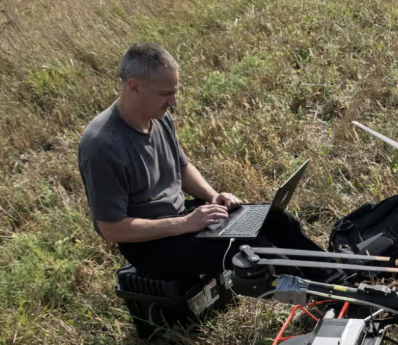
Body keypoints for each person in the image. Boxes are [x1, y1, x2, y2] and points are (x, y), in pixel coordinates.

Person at [77, 43, 326, 282]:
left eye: (175, 92)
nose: (173, 102)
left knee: (274, 219)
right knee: (252, 250)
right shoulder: (102, 146)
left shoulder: (158, 115)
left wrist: (212, 196)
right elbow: (112, 229)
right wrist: (185, 224)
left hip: (184, 220)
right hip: (151, 248)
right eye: (166, 94)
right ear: (134, 86)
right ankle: (324, 297)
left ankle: (334, 275)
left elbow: (182, 167)